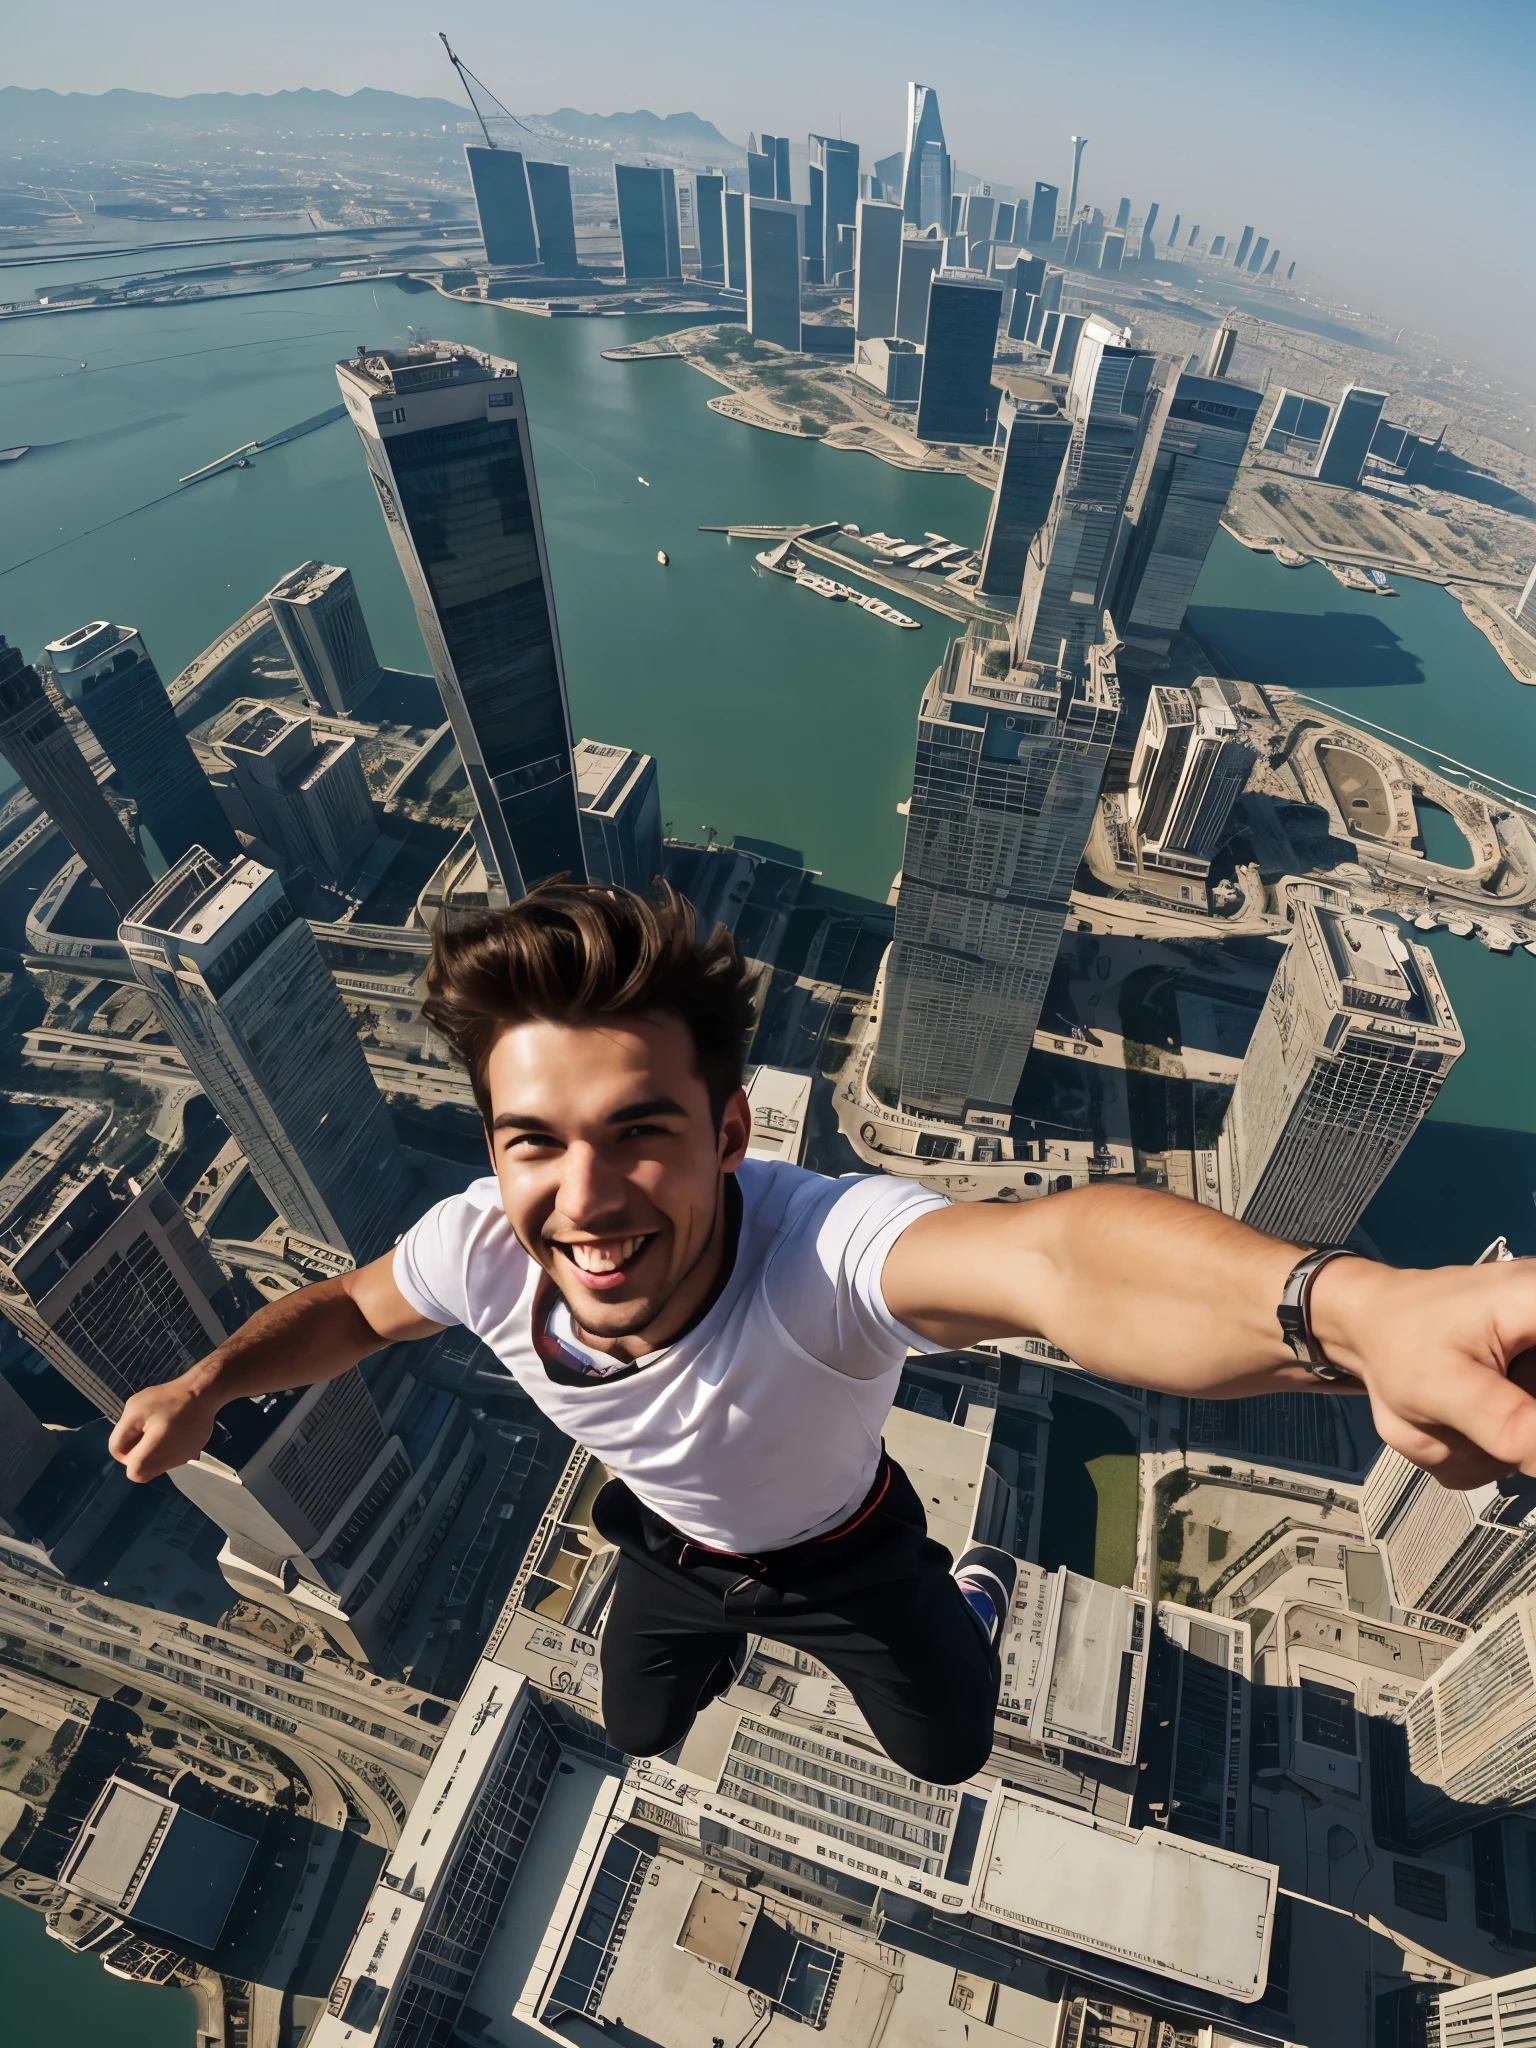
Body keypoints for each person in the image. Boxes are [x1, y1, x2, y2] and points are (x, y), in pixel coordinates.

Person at [112, 883, 1536, 1786]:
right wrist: (206, 1379)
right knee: (641, 1735)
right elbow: (350, 1311)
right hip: (670, 1550)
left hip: (855, 1559)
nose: (586, 1197)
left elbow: (1053, 1257)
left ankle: (971, 1594)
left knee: (947, 1755)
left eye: (641, 1134)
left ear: (731, 1131)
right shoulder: (478, 1239)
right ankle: (721, 1651)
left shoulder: (820, 1258)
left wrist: (1346, 1309)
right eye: (534, 1141)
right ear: (496, 1148)